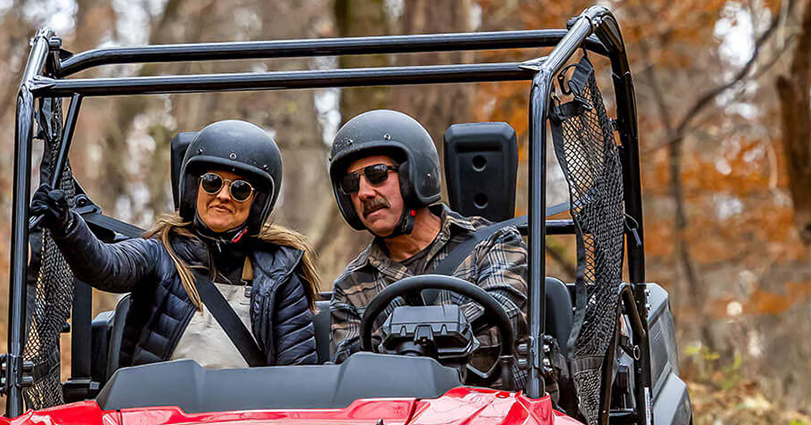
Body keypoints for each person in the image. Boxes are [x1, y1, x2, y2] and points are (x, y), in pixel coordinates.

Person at [27, 119, 319, 369]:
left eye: (240, 189)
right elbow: (105, 265)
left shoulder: (280, 274)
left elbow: (298, 375)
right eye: (212, 182)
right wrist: (68, 225)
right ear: (194, 189)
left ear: (257, 203)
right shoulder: (160, 253)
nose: (224, 196)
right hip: (160, 423)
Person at [324, 110, 527, 367]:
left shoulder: (494, 243)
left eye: (377, 174)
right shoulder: (352, 285)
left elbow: (503, 318)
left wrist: (397, 342)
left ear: (415, 175)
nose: (363, 192)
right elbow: (351, 367)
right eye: (352, 183)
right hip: (399, 406)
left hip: (493, 404)